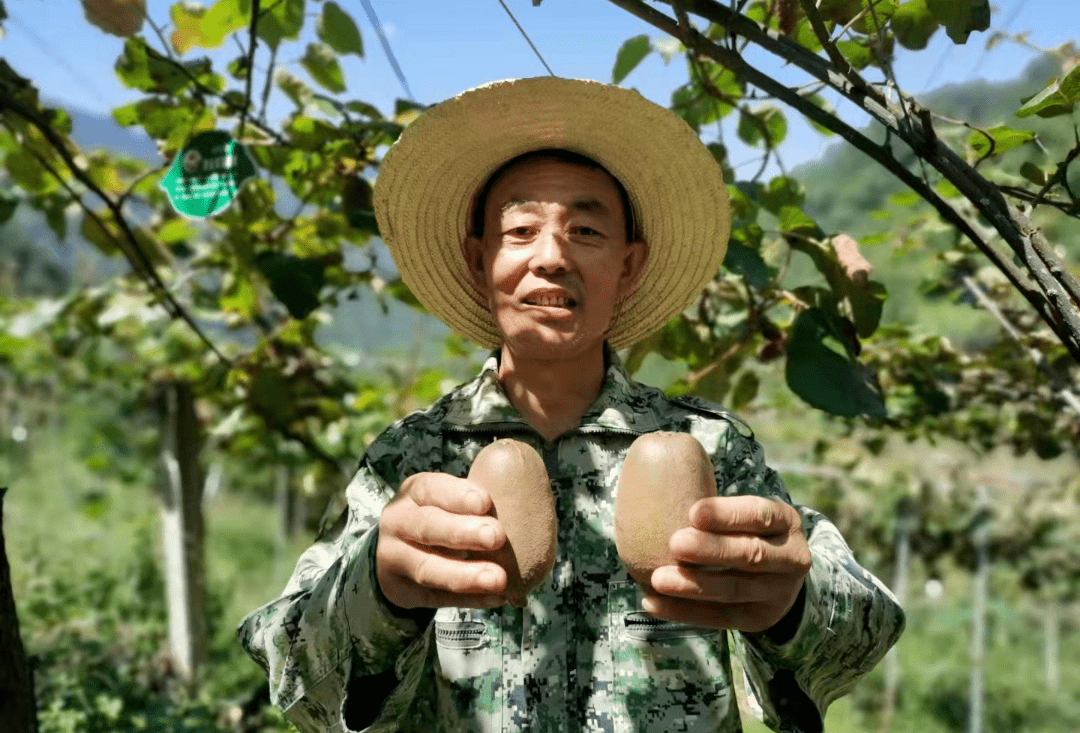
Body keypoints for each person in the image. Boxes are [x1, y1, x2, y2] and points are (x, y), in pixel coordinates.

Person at [237, 77, 905, 733]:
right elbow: (293, 670)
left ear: (630, 265)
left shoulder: (710, 447)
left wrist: (791, 604)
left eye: (585, 230)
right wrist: (379, 589)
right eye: (521, 228)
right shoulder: (412, 461)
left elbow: (863, 632)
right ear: (479, 260)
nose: (551, 256)